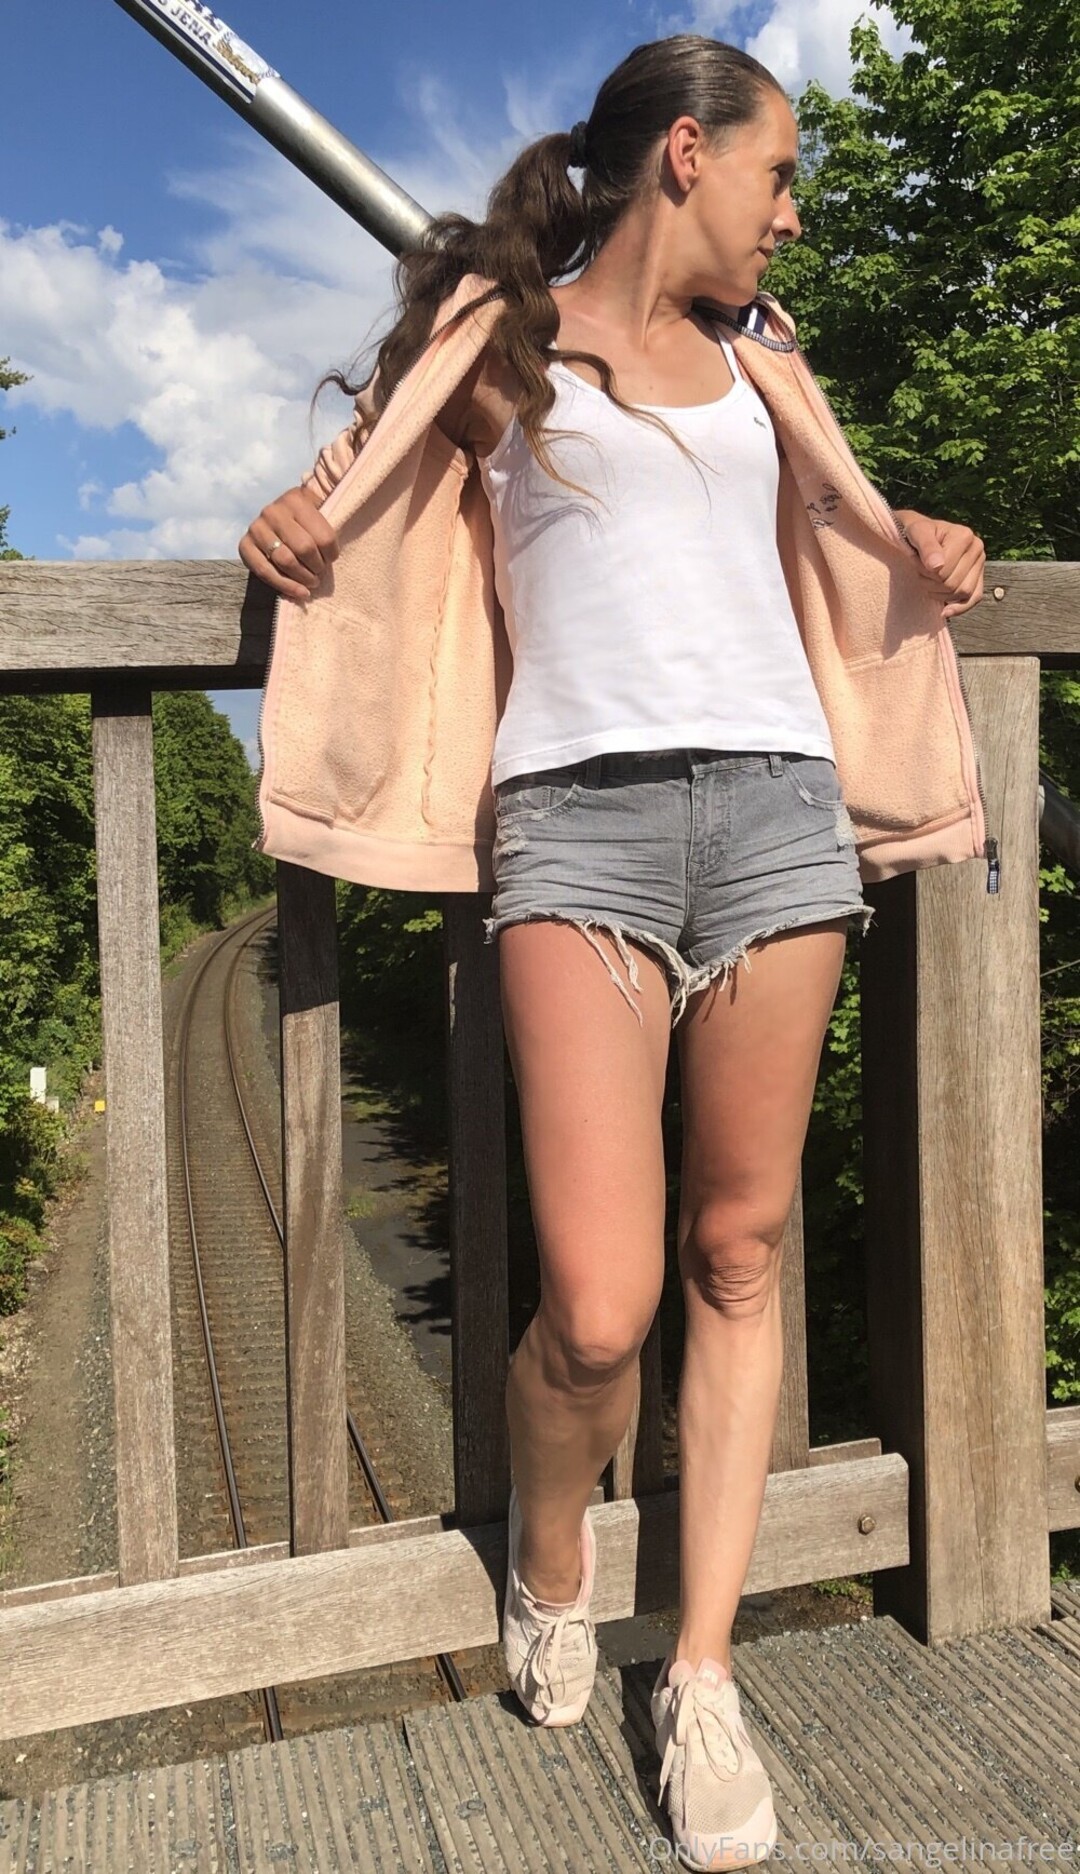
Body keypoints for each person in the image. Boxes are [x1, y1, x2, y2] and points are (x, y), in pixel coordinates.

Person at [240, 33, 985, 1870]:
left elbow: (834, 537)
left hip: (781, 815)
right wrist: (291, 523)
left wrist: (921, 537)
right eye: (778, 172)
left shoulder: (765, 359)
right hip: (575, 822)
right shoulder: (500, 345)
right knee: (598, 1301)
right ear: (686, 157)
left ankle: (705, 1674)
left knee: (740, 1249)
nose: (790, 212)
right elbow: (362, 495)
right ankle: (553, 1553)